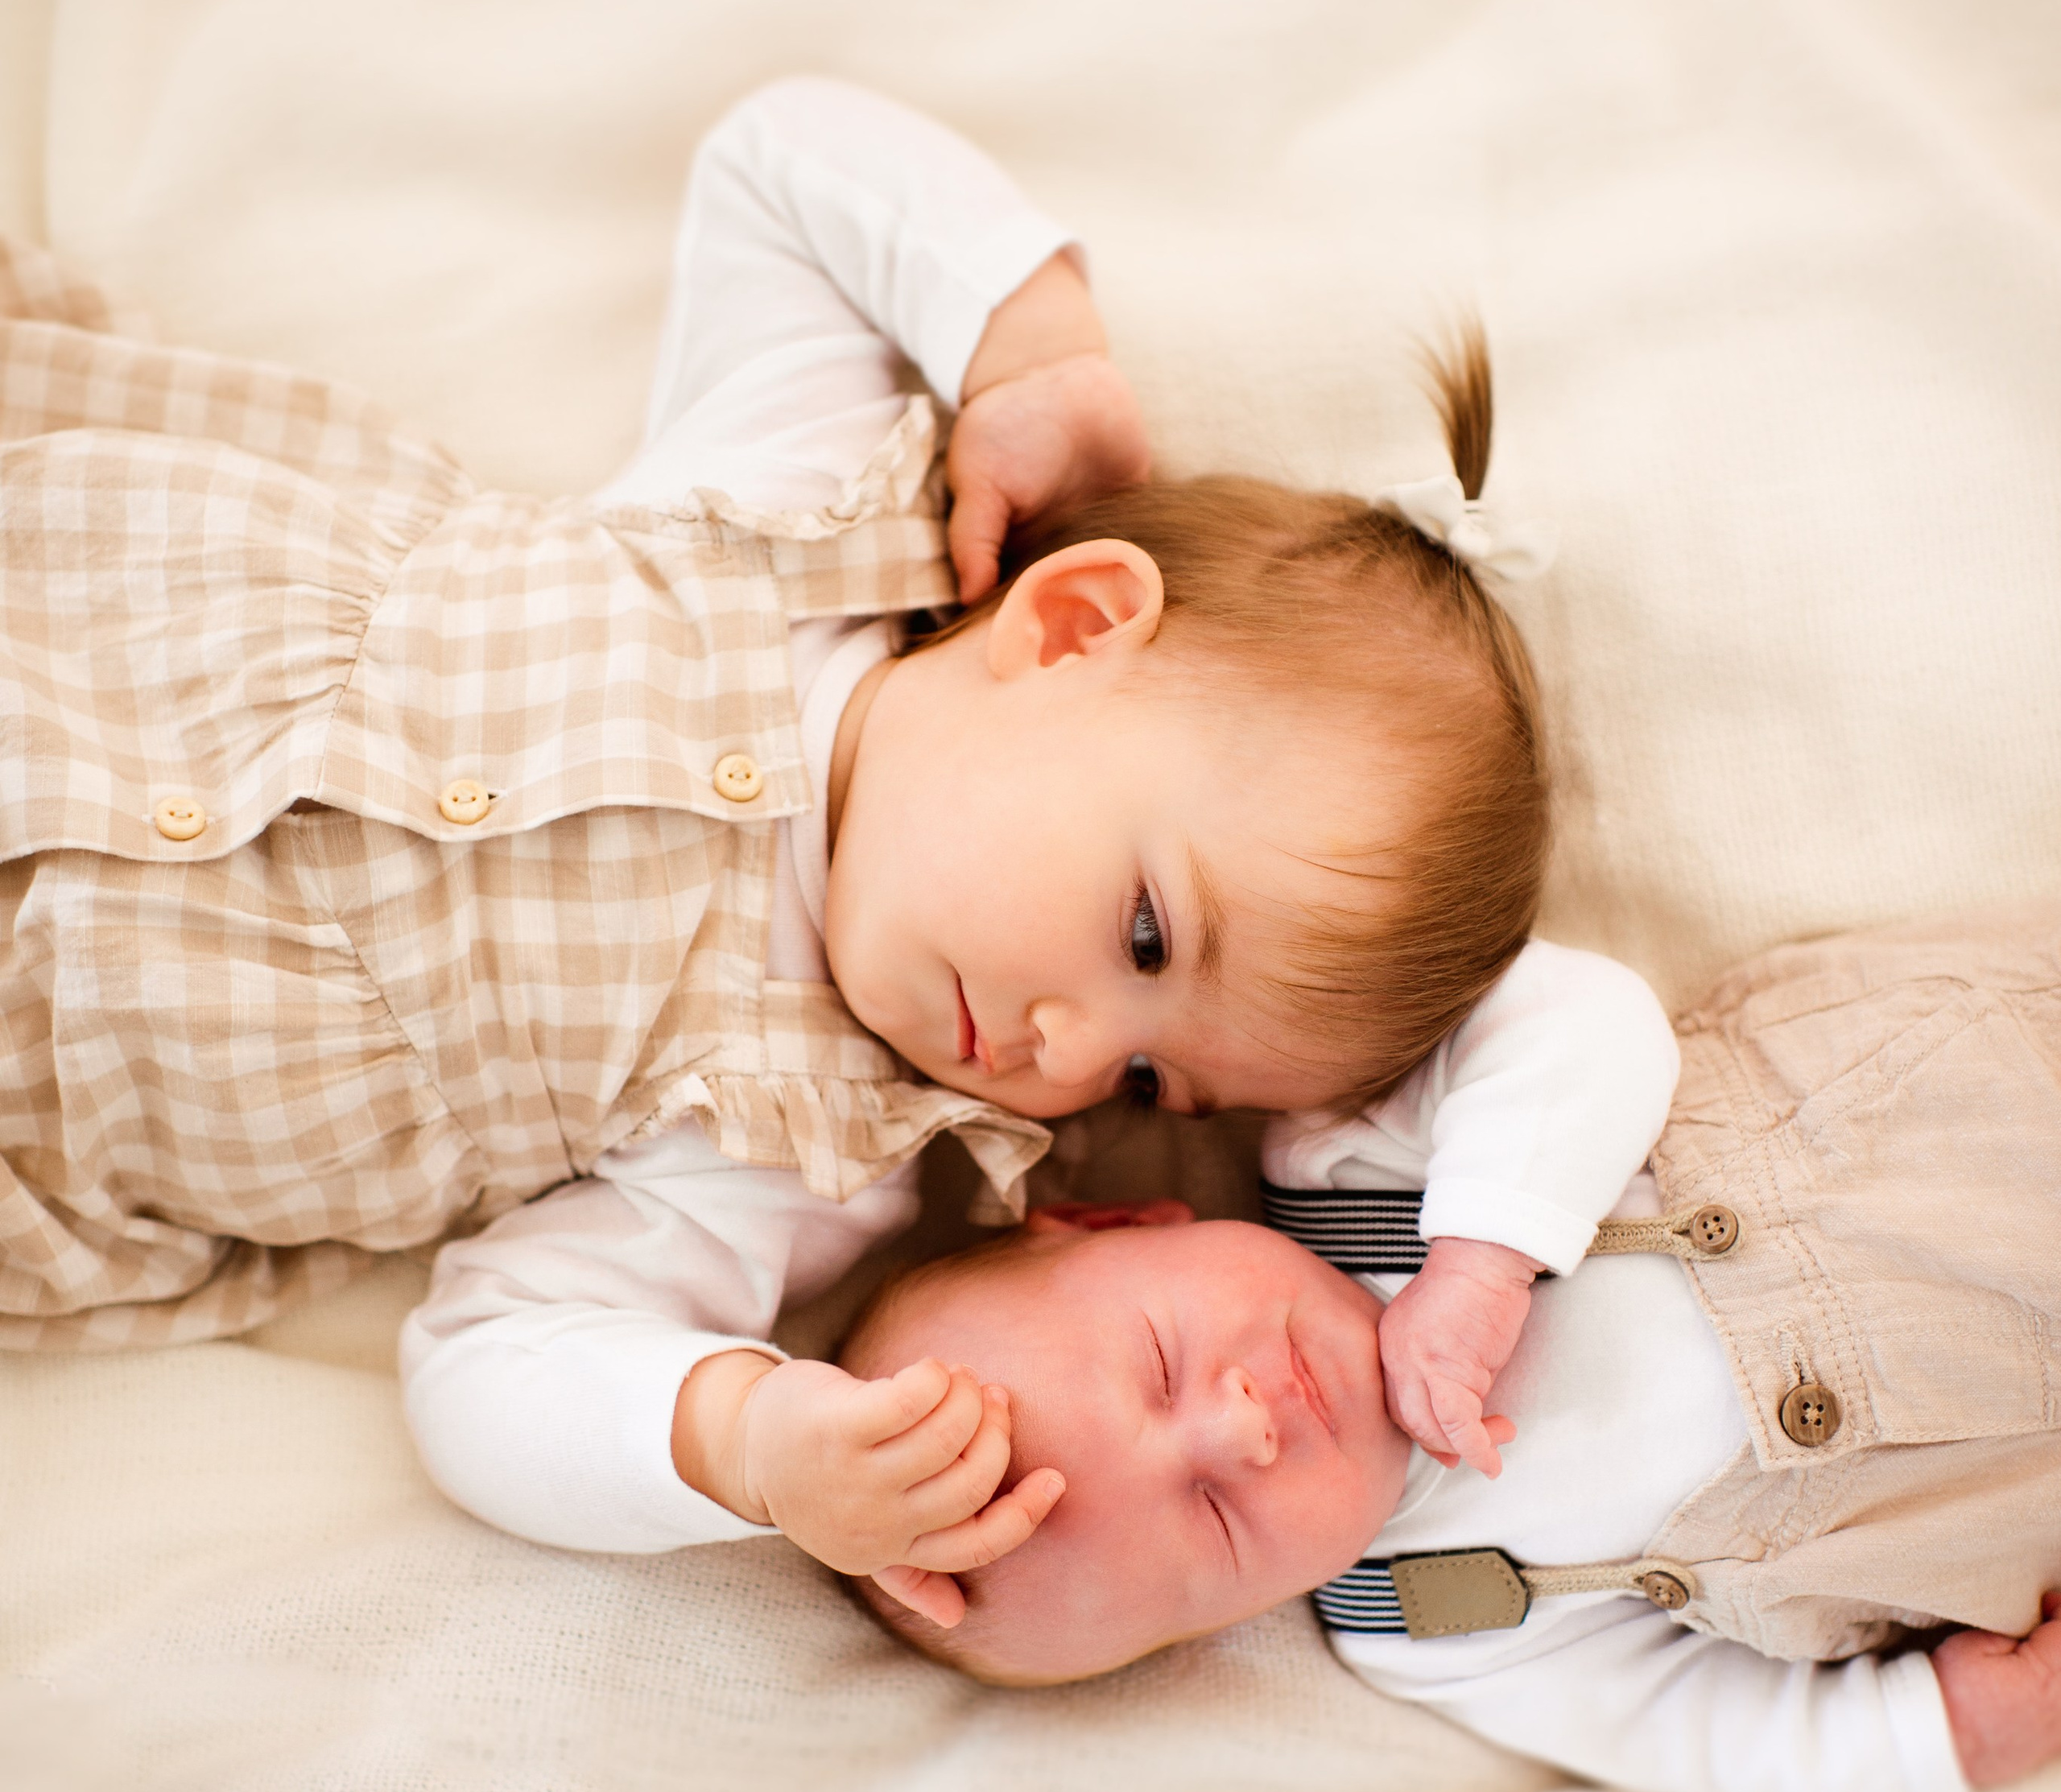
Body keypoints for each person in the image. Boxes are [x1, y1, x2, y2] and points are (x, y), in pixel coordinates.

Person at [2, 79, 1669, 1614]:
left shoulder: (804, 1151)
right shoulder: (799, 520)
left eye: (1152, 1088)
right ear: (1073, 623)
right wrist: (1032, 355)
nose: (1071, 1047)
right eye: (1148, 935)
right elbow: (783, 164)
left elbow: (489, 1365)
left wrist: (737, 1440)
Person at [835, 913, 2061, 1792]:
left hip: (1965, 1120)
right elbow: (1692, 1736)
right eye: (1215, 1526)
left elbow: (1576, 1013)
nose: (1242, 1434)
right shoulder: (1432, 1620)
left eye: (1163, 1363)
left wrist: (1484, 1256)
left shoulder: (1345, 1157)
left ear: (1124, 1224)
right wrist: (1940, 1735)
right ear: (1231, 1621)